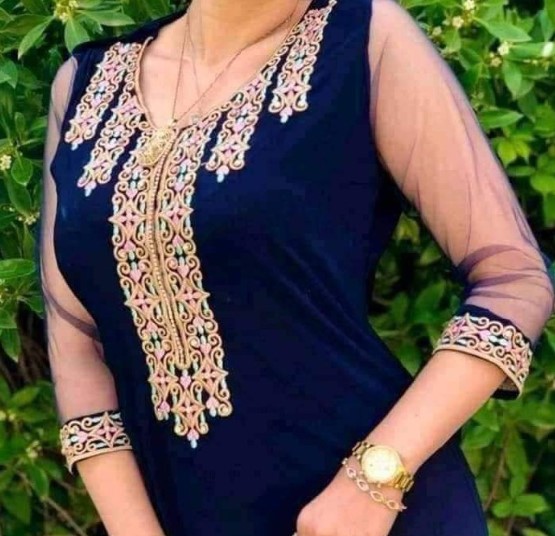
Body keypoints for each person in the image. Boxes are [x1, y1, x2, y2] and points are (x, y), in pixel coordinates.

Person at [37, 0, 555, 534]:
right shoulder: (85, 83)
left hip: (365, 515)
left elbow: (513, 279)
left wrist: (373, 481)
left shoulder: (363, 39)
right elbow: (78, 346)